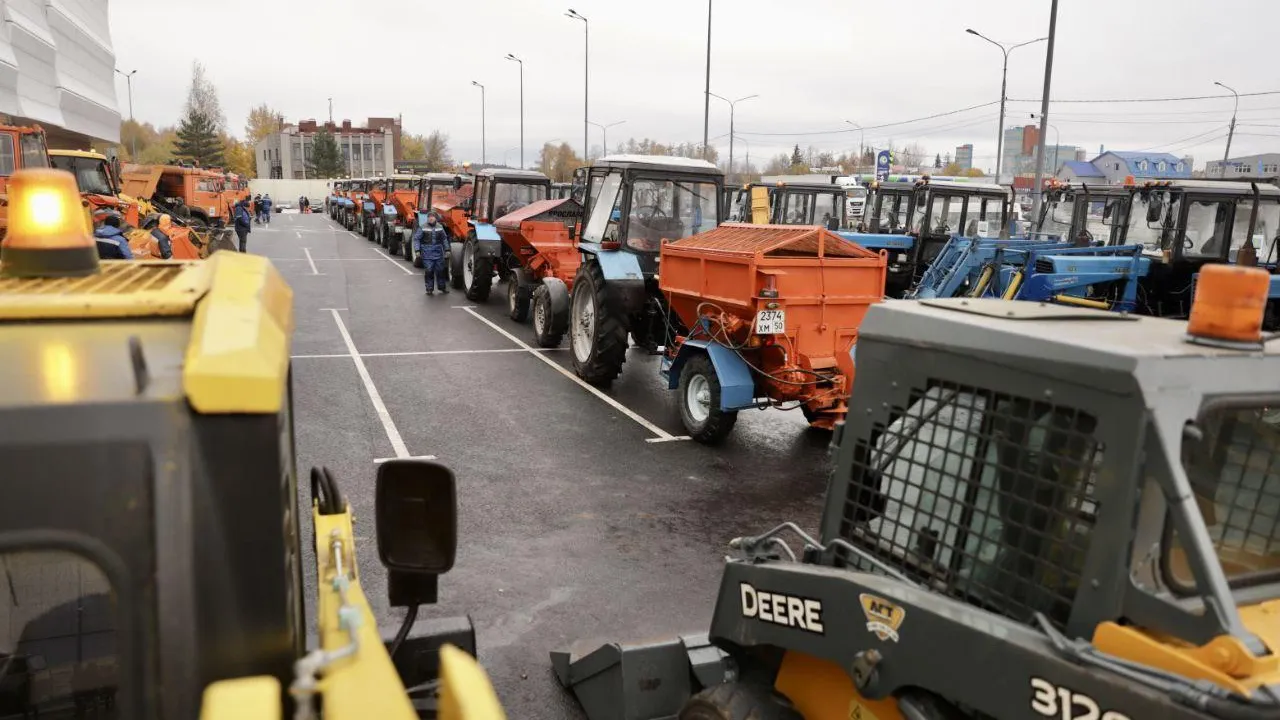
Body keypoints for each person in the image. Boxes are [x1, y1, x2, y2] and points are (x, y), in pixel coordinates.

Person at [413, 212, 450, 295]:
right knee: (429, 270)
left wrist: (447, 250)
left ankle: (442, 287)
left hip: (438, 252)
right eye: (429, 217)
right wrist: (417, 250)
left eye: (432, 217)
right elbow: (417, 239)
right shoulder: (422, 227)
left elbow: (444, 239)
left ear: (435, 218)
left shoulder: (440, 227)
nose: (431, 218)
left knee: (440, 270)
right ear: (427, 218)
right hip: (427, 253)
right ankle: (429, 288)